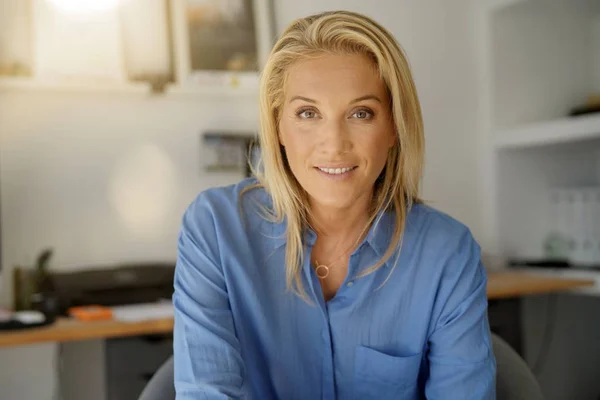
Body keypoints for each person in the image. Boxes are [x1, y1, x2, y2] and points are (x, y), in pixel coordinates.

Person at [173, 10, 496, 400]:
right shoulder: (216, 229)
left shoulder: (447, 253)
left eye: (361, 113)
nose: (334, 142)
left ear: (394, 127)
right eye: (308, 113)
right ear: (277, 126)